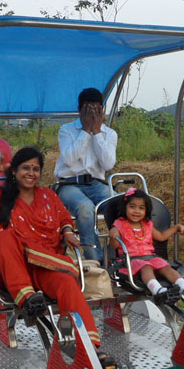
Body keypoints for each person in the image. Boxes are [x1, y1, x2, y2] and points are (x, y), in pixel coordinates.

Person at [0, 147, 116, 369]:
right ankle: (28, 298)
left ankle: (89, 347)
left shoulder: (49, 196)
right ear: (15, 171)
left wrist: (68, 231)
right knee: (4, 236)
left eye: (36, 169)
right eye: (25, 168)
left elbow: (64, 218)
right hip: (12, 267)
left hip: (46, 263)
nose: (31, 173)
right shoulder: (2, 194)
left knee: (68, 286)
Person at [54, 88, 118, 262]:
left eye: (96, 109)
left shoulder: (109, 134)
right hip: (69, 184)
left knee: (120, 205)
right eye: (88, 109)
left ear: (102, 109)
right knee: (85, 208)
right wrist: (85, 132)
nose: (92, 113)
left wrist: (96, 133)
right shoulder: (66, 130)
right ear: (79, 110)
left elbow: (108, 164)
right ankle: (95, 262)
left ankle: (118, 258)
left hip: (97, 184)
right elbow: (68, 160)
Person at [108, 187, 184, 301]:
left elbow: (161, 236)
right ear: (125, 208)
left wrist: (176, 228)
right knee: (146, 267)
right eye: (132, 207)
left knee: (166, 267)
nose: (136, 211)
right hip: (130, 261)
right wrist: (114, 233)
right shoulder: (120, 224)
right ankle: (158, 291)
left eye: (141, 208)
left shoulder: (147, 224)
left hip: (150, 258)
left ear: (146, 210)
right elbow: (114, 246)